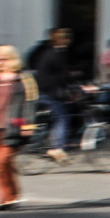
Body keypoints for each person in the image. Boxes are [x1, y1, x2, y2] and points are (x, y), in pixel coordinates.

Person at [0, 46, 39, 210]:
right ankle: (11, 197)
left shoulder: (24, 78)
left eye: (4, 59)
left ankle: (9, 196)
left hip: (13, 126)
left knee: (1, 162)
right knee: (5, 165)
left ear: (13, 59)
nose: (1, 62)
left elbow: (31, 102)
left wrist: (28, 124)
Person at [34, 28, 75, 163]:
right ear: (65, 40)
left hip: (44, 91)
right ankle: (57, 148)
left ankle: (49, 143)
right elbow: (64, 75)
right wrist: (80, 87)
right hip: (49, 93)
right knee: (62, 118)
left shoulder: (48, 52)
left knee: (55, 117)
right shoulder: (56, 54)